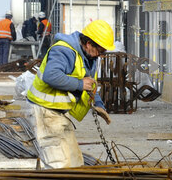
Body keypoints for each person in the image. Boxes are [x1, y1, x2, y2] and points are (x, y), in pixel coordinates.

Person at [25, 19, 114, 168]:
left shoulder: (87, 57)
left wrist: (98, 104)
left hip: (59, 113)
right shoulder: (63, 51)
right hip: (43, 111)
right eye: (100, 50)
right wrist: (79, 84)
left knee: (75, 162)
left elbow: (89, 84)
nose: (100, 55)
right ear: (88, 43)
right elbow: (51, 76)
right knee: (59, 164)